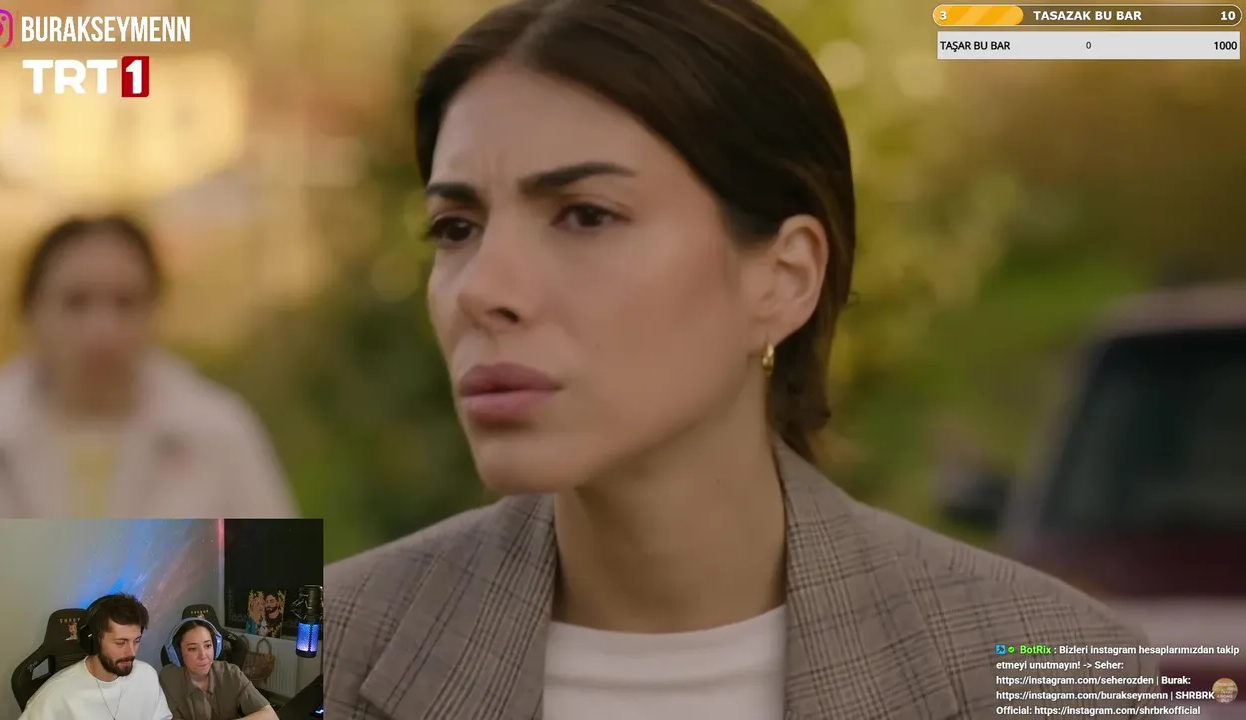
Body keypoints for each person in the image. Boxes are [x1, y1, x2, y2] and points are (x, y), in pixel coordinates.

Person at [324, 1, 1159, 718]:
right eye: (457, 229)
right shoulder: (277, 639)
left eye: (586, 215)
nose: (483, 289)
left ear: (783, 278)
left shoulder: (1064, 666)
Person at [0, 214, 298, 518]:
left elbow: (275, 565)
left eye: (125, 304)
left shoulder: (219, 434)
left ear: (155, 312)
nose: (102, 332)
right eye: (76, 303)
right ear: (30, 311)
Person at [20, 593, 171, 720]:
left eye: (136, 641)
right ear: (93, 641)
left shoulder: (147, 676)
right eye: (120, 643)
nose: (131, 652)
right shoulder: (54, 696)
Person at [159, 618, 277, 719]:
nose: (203, 656)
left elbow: (270, 715)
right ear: (178, 653)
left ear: (216, 647)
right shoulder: (168, 679)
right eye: (192, 649)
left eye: (208, 646)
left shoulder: (231, 673)